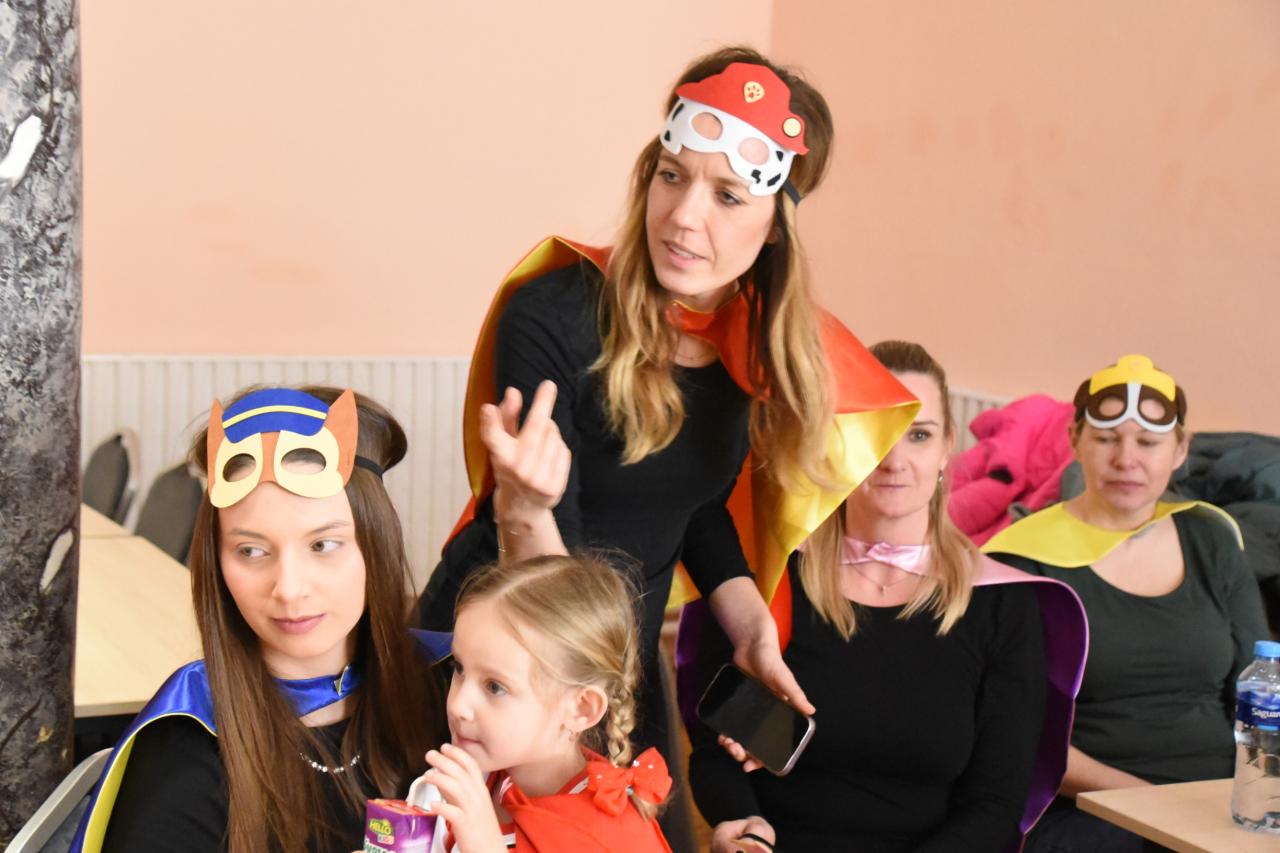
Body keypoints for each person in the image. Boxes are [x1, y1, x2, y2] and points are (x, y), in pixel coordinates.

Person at [417, 45, 918, 780]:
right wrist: (527, 505)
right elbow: (559, 557)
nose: (683, 217)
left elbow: (697, 505)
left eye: (727, 197)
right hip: (500, 664)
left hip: (614, 666)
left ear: (775, 225)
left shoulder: (750, 346)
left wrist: (751, 630)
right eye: (672, 175)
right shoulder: (553, 314)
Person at [683, 341, 1088, 852]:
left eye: (918, 434)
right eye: (874, 432)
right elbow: (718, 753)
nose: (895, 460)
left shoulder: (1003, 605)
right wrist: (743, 824)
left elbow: (995, 806)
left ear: (947, 447)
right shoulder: (766, 584)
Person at [72, 387, 450, 853]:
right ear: (216, 561)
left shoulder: (450, 693)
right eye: (251, 551)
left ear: (377, 543)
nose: (289, 589)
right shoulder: (188, 757)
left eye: (323, 545)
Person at [985, 354, 1269, 852]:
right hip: (1090, 807)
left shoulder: (1212, 540)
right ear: (1075, 440)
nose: (1126, 460)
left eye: (1149, 442)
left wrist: (1254, 794)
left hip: (1219, 798)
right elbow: (1022, 734)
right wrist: (1158, 807)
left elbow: (1261, 692)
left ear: (1180, 449)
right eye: (1106, 439)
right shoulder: (1021, 559)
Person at [418, 554, 672, 852]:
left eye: (495, 687)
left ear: (581, 709)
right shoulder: (473, 779)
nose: (458, 705)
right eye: (459, 668)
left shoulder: (610, 838)